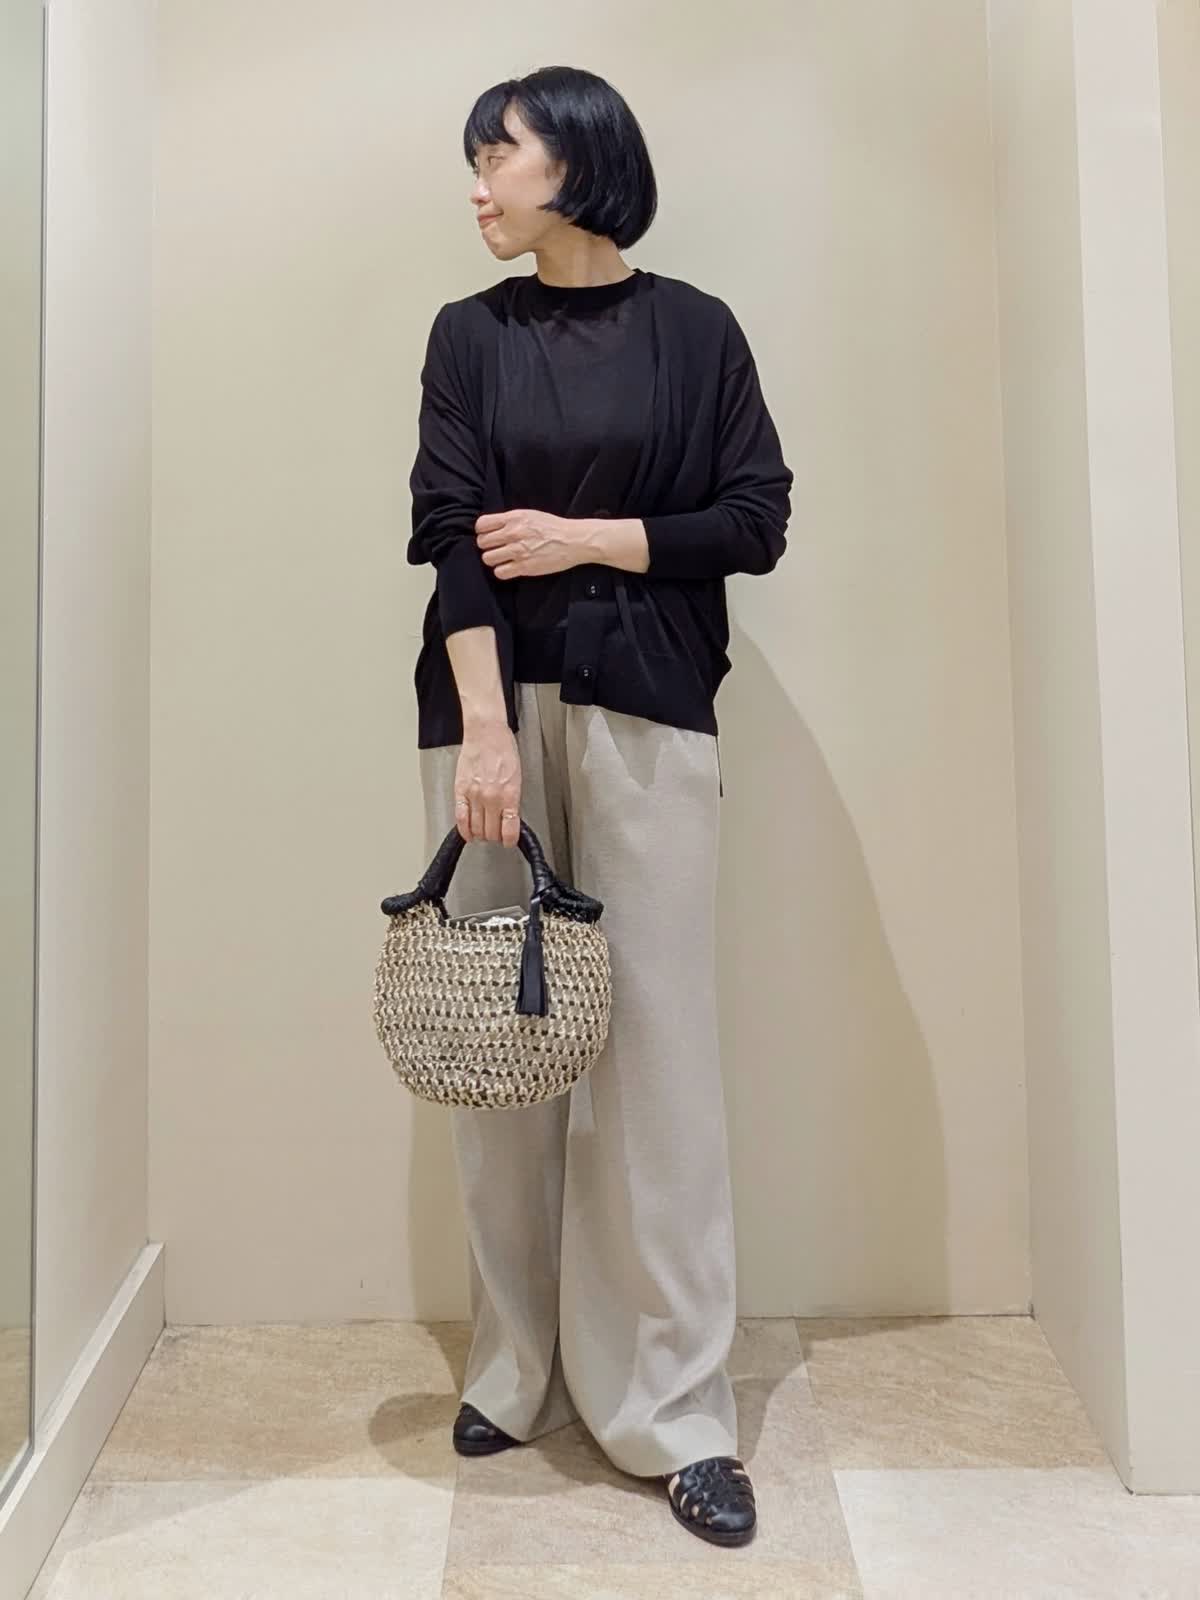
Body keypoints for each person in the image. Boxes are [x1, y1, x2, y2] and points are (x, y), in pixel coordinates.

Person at [406, 64, 792, 1549]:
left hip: (648, 706)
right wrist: (486, 735)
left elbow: (752, 519)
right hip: (488, 716)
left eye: (494, 156)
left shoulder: (697, 333)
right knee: (501, 1057)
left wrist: (586, 537)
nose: (477, 186)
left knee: (659, 1064)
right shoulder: (470, 335)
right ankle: (518, 1369)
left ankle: (677, 1411)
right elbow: (450, 536)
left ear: (574, 161)